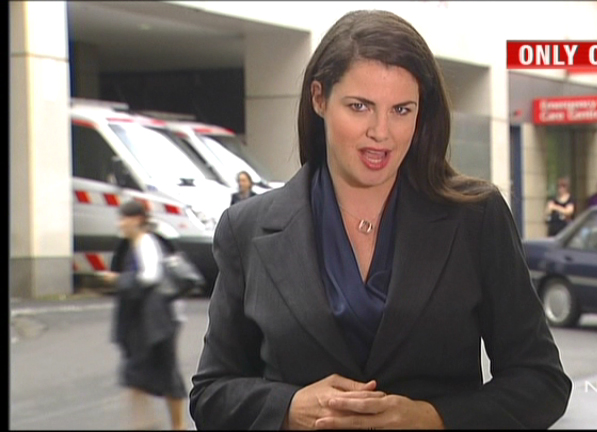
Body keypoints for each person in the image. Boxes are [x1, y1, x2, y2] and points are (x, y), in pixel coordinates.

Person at [190, 10, 571, 430]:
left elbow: (543, 381)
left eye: (401, 110)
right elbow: (210, 394)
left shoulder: (476, 218)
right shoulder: (246, 230)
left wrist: (434, 419)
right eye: (360, 107)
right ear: (319, 98)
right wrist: (289, 408)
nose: (381, 132)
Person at [100, 200, 188, 430]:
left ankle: (176, 426)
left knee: (165, 374)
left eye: (124, 218)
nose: (121, 224)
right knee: (135, 375)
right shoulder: (132, 244)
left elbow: (151, 276)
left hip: (159, 321)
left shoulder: (147, 242)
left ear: (138, 219)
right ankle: (145, 424)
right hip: (144, 321)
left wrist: (118, 279)